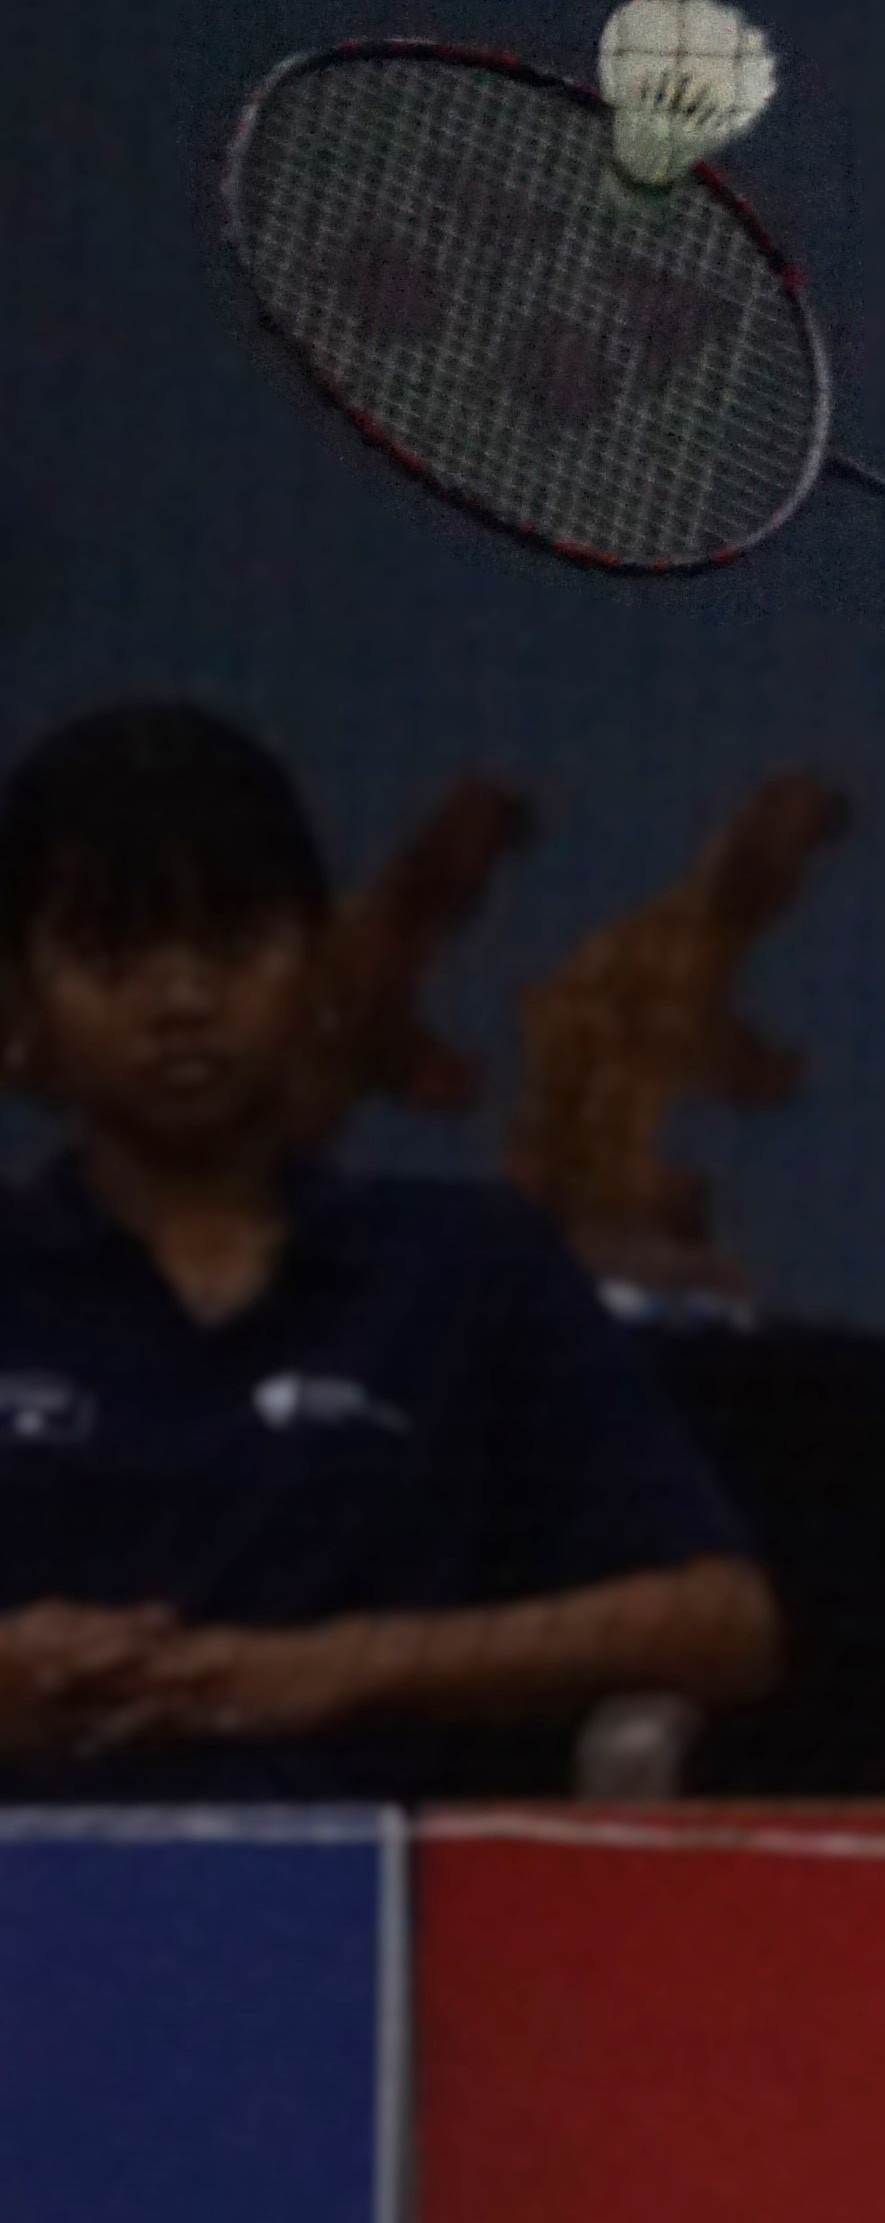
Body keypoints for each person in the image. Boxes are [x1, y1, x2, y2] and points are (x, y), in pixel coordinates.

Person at [1, 698, 780, 1798]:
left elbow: (720, 1620)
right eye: (110, 951)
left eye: (232, 942)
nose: (181, 999)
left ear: (319, 970)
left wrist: (341, 1666)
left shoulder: (467, 1267)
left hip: (385, 1925)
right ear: (16, 999)